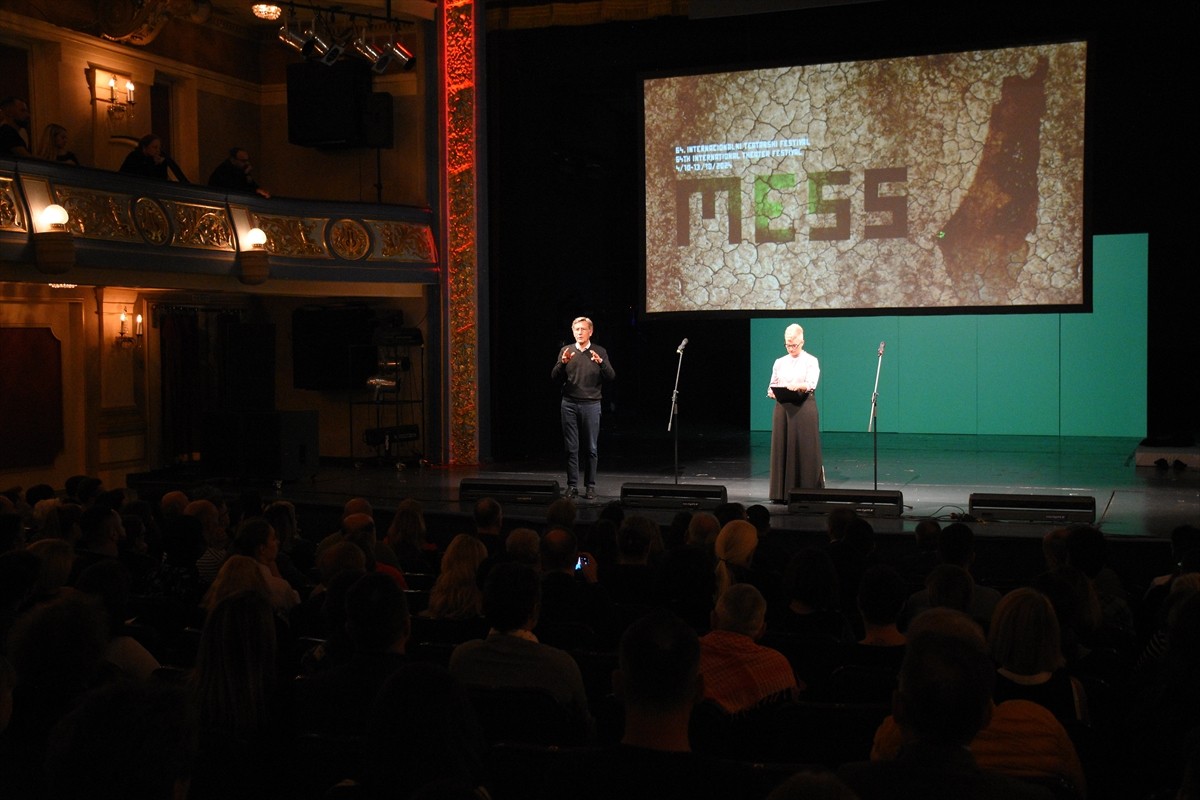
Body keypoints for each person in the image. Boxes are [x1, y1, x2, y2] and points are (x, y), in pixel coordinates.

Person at [550, 316, 615, 500]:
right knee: (571, 448)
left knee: (591, 448)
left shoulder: (599, 351)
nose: (579, 332)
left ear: (590, 332)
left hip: (591, 404)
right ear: (573, 331)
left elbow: (611, 376)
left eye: (583, 329)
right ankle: (572, 486)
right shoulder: (566, 351)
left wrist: (601, 362)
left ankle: (590, 486)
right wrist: (562, 363)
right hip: (569, 404)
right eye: (576, 329)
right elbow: (554, 376)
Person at [767, 323, 824, 501]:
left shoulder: (811, 360)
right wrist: (772, 392)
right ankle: (780, 493)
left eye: (794, 345)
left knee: (804, 450)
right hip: (783, 408)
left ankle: (806, 491)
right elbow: (771, 386)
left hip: (803, 407)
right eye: (788, 345)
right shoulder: (779, 362)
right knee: (781, 449)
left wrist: (798, 386)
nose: (791, 348)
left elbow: (810, 383)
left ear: (802, 342)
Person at [119, 133, 188, 182]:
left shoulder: (158, 159)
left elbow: (161, 180)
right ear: (144, 147)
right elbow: (142, 177)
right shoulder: (134, 157)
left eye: (159, 148)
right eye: (155, 147)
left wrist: (161, 165)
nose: (158, 150)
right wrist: (153, 163)